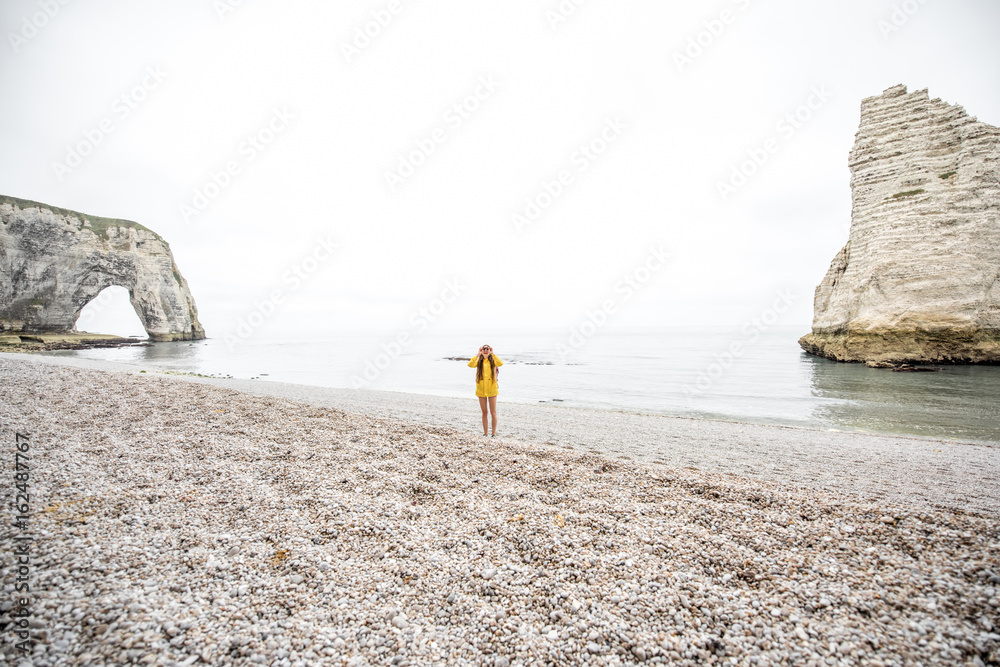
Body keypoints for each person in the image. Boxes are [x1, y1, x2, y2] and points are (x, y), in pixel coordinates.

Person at [468, 344, 503, 437]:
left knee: (493, 412)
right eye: (484, 349)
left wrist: (493, 354)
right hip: (481, 390)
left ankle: (493, 433)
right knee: (484, 412)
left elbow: (501, 363)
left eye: (488, 349)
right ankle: (485, 433)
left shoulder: (493, 361)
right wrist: (477, 355)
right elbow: (470, 364)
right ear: (481, 351)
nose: (486, 350)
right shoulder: (479, 362)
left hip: (492, 390)